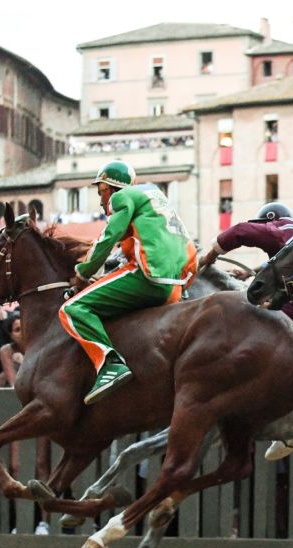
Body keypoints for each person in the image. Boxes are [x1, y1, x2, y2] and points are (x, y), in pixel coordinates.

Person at [198, 201, 293, 461]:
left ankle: (286, 426)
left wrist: (210, 254)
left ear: (270, 221)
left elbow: (240, 232)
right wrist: (251, 273)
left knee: (254, 321)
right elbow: (284, 265)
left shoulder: (275, 229)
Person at [59, 160, 197, 405]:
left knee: (72, 309)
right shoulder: (154, 196)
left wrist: (82, 272)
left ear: (112, 188)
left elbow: (107, 237)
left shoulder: (121, 198)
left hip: (150, 277)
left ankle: (110, 365)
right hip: (177, 286)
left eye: (101, 191)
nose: (102, 201)